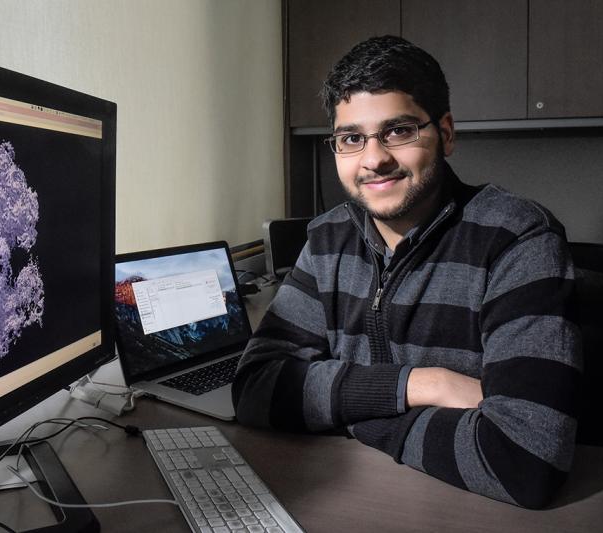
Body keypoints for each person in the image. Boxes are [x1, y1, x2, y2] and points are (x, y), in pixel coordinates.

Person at [232, 35, 581, 509]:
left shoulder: (517, 240)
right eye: (352, 138)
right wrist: (420, 385)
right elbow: (255, 388)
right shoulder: (327, 239)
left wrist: (336, 409)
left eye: (398, 131)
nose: (373, 159)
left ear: (446, 133)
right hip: (356, 501)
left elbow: (522, 459)